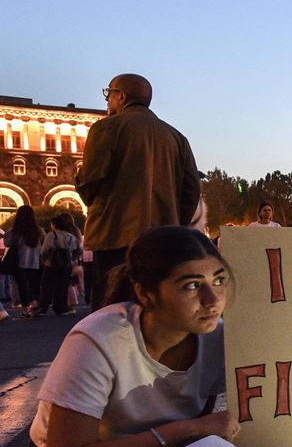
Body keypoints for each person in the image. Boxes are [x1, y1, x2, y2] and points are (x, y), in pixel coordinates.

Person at [26, 226, 238, 447]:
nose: (213, 300)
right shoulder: (100, 339)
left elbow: (208, 427)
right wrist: (185, 430)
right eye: (191, 285)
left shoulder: (218, 338)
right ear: (146, 294)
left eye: (219, 280)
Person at [77, 74, 202, 309]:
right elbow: (192, 191)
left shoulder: (106, 128)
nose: (107, 101)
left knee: (112, 313)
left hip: (114, 238)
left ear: (121, 97)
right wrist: (174, 224)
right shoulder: (176, 137)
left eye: (108, 94)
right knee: (154, 309)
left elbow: (89, 182)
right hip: (162, 241)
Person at [37, 213, 82, 316]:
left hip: (51, 264)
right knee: (62, 287)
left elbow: (44, 250)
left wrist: (44, 260)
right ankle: (61, 308)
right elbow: (79, 251)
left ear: (54, 224)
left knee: (47, 286)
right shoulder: (71, 237)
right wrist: (72, 259)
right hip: (66, 265)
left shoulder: (52, 235)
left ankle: (43, 308)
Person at [8, 205, 43, 318]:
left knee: (22, 286)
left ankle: (26, 309)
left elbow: (7, 242)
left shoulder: (15, 231)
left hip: (20, 261)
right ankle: (35, 304)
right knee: (33, 284)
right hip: (35, 261)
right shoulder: (38, 230)